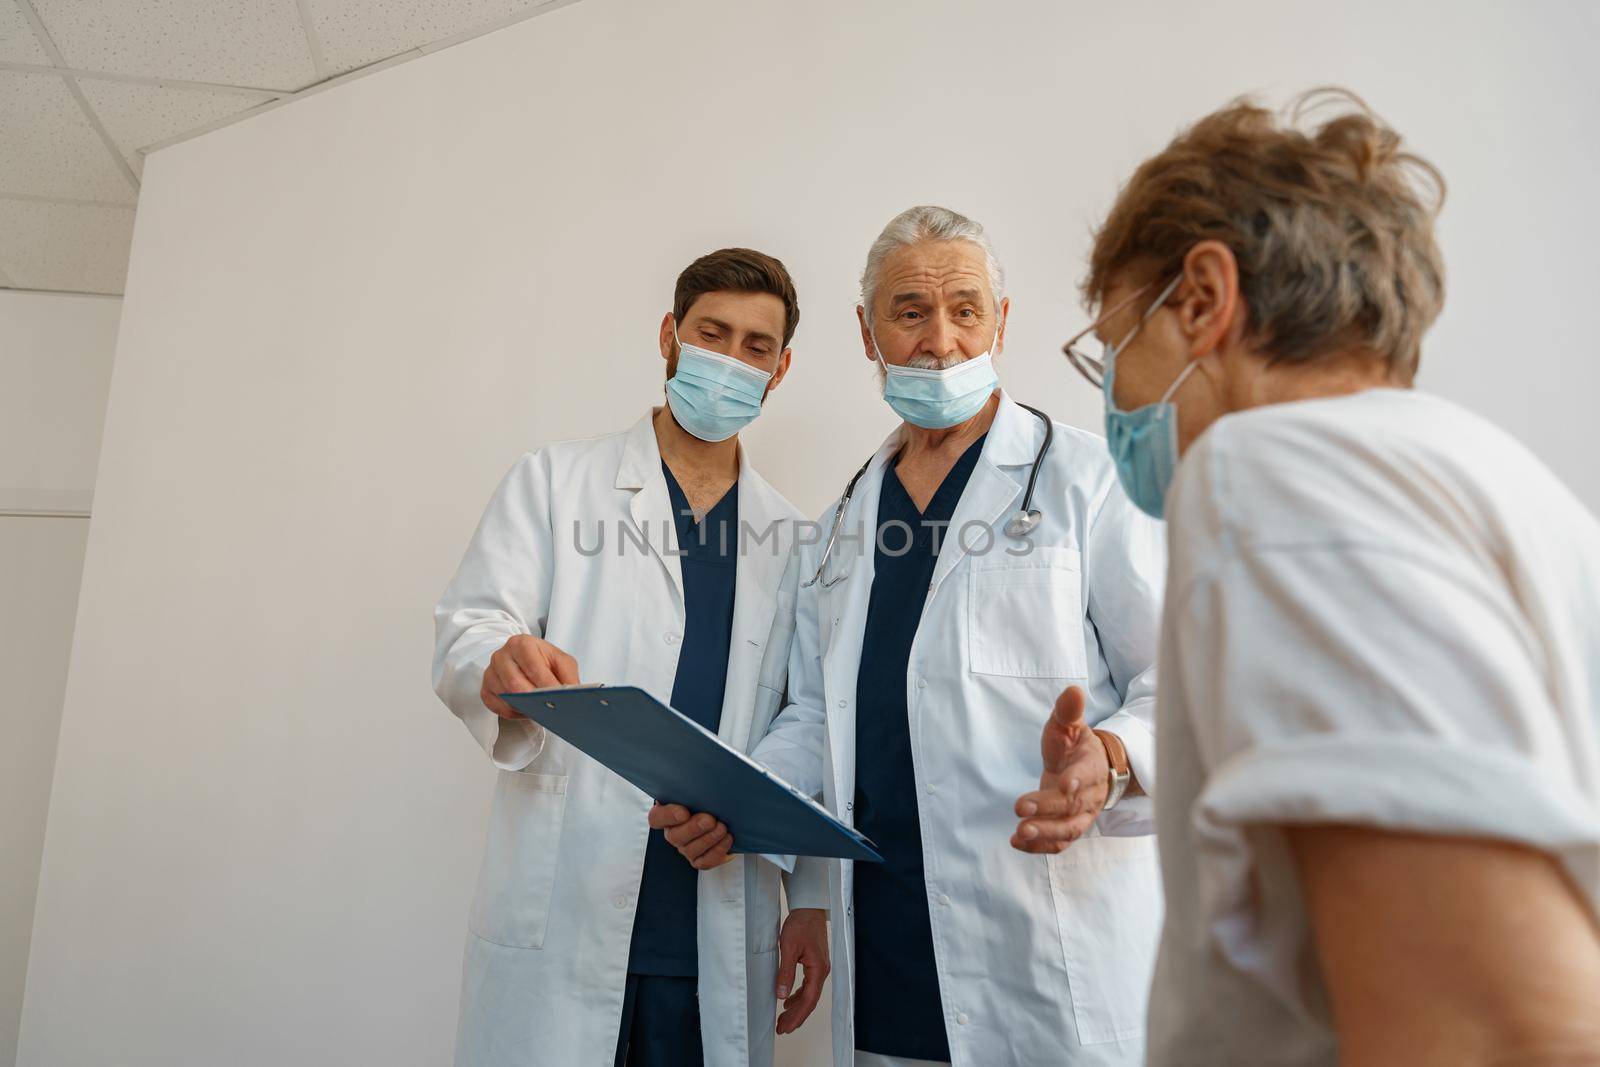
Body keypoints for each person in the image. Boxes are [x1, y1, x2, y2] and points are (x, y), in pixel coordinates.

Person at [1018, 89, 1600, 1065]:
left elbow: (1494, 1027)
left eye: (1113, 348)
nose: (1116, 398)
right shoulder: (1494, 478)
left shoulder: (1271, 472)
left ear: (1201, 299)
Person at [661, 205, 1167, 1067]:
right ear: (868, 333)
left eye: (965, 309)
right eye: (910, 312)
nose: (940, 340)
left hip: (1045, 953)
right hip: (890, 952)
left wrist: (1111, 761)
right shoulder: (838, 529)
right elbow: (819, 716)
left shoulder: (1090, 483)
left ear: (1001, 321)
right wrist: (735, 800)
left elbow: (1184, 682)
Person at [431, 247, 830, 1067]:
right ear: (668, 337)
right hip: (566, 900)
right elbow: (472, 626)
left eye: (756, 346)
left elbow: (813, 713)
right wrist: (498, 665)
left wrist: (793, 873)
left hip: (712, 916)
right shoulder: (555, 483)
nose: (730, 360)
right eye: (711, 333)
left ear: (781, 369)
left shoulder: (796, 540)